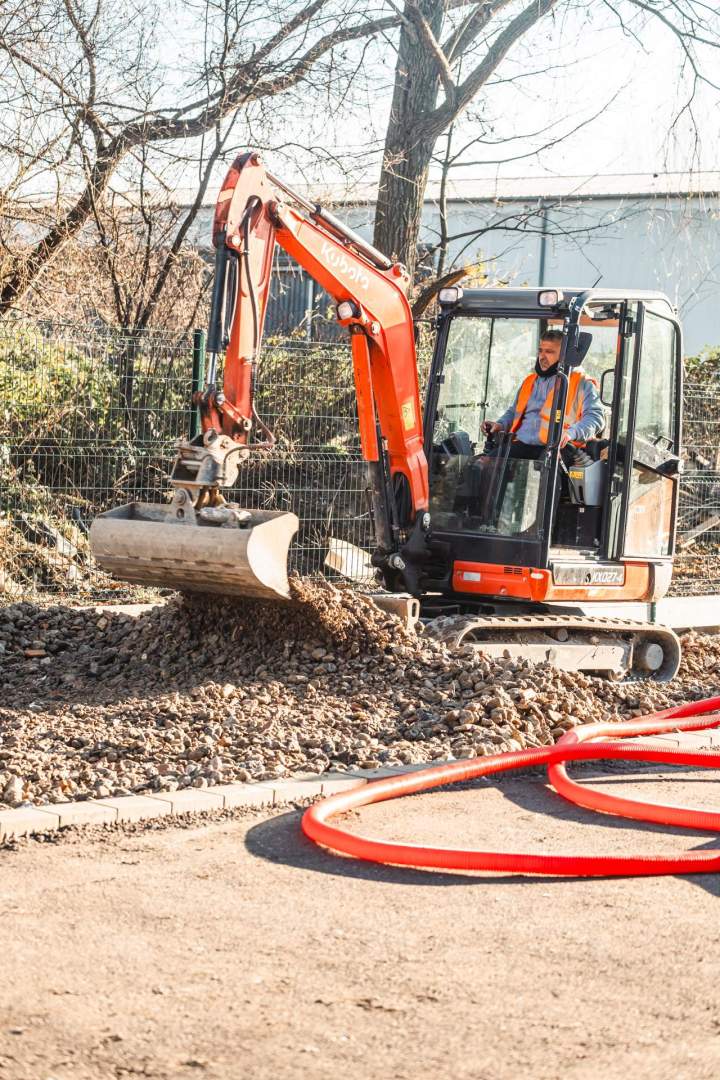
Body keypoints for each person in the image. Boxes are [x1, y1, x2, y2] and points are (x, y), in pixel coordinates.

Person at [481, 329, 605, 461]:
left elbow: (595, 418)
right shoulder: (530, 381)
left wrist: (571, 433)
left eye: (549, 352)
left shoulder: (581, 383)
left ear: (564, 355)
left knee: (544, 472)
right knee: (485, 465)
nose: (542, 356)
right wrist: (500, 424)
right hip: (522, 444)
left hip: (558, 447)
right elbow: (514, 412)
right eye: (540, 351)